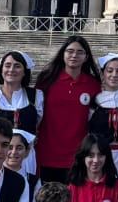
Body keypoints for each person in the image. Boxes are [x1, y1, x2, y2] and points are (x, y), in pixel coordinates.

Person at [35, 36, 101, 183]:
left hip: (78, 155)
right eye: (70, 51)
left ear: (86, 57)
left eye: (79, 52)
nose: (74, 55)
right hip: (47, 153)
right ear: (63, 54)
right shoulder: (47, 80)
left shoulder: (93, 84)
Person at [0, 50, 43, 177]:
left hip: (25, 157)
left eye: (17, 66)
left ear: (25, 71)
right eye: (7, 65)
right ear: (1, 70)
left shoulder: (36, 97)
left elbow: (38, 123)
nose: (11, 69)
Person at [86, 52, 118, 182]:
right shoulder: (95, 99)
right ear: (103, 74)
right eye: (110, 71)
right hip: (101, 155)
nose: (114, 75)